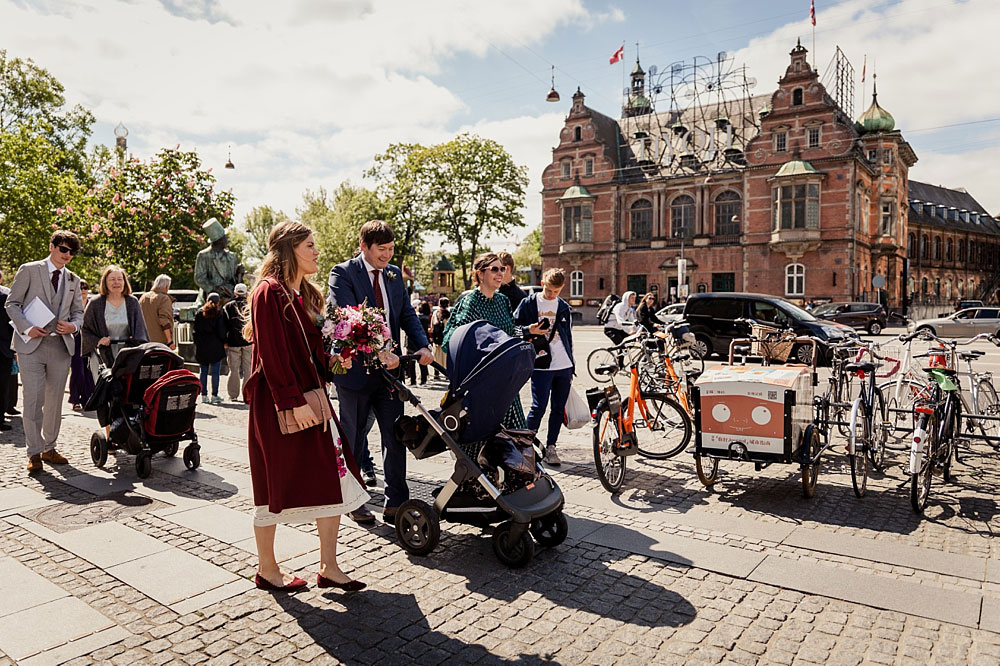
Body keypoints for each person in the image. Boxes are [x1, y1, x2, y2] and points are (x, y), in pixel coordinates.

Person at [242, 219, 370, 592]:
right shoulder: (268, 293)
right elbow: (272, 354)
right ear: (290, 248)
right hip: (282, 404)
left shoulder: (305, 295)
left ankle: (329, 566)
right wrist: (291, 401)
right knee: (273, 485)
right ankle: (267, 568)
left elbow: (311, 352)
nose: (316, 251)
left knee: (332, 477)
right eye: (310, 245)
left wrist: (336, 360)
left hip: (312, 399)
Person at [329, 220, 432, 525]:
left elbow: (406, 314)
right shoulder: (343, 273)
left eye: (391, 249)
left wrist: (422, 345)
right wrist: (377, 350)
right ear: (364, 247)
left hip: (390, 373)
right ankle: (353, 497)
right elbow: (350, 316)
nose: (387, 255)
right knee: (354, 438)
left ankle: (395, 502)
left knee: (395, 436)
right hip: (355, 371)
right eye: (381, 250)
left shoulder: (393, 274)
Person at [4, 231, 86, 474]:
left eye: (72, 252)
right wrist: (28, 327)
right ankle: (34, 452)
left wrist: (73, 326)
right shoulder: (29, 270)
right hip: (31, 345)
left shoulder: (73, 279)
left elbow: (78, 313)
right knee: (32, 399)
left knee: (54, 402)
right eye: (64, 249)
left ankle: (49, 447)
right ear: (51, 246)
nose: (68, 255)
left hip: (60, 346)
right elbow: (12, 304)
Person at [443, 252, 542, 430]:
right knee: (485, 439)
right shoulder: (470, 302)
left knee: (516, 435)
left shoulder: (502, 301)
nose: (500, 273)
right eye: (494, 269)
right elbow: (454, 338)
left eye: (502, 269)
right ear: (480, 274)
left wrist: (528, 330)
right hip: (483, 383)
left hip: (505, 379)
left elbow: (509, 333)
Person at [514, 268, 574, 466]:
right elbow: (511, 328)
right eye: (549, 290)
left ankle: (551, 447)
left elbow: (568, 337)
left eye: (556, 291)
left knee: (557, 408)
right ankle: (525, 447)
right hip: (540, 364)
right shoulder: (529, 303)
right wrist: (528, 330)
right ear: (542, 284)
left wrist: (572, 365)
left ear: (562, 289)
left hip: (563, 365)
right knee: (538, 407)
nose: (552, 294)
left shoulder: (563, 307)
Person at [82, 266, 149, 364]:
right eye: (112, 279)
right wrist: (98, 340)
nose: (116, 282)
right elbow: (85, 329)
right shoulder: (95, 303)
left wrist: (136, 341)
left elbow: (140, 329)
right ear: (105, 282)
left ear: (124, 282)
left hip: (128, 354)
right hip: (103, 355)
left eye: (119, 279)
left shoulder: (132, 302)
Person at [194, 218, 244, 303]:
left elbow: (234, 281)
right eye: (225, 237)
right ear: (219, 240)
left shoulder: (231, 257)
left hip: (230, 297)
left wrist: (239, 274)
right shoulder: (204, 256)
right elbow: (199, 278)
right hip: (211, 298)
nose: (226, 239)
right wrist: (215, 288)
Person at [193, 293, 227, 404]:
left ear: (207, 300)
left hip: (202, 346)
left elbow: (195, 331)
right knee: (215, 372)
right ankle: (214, 395)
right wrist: (224, 341)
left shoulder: (199, 313)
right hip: (215, 346)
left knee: (203, 371)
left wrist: (196, 342)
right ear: (218, 303)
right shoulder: (218, 314)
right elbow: (222, 331)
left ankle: (204, 395)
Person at [222, 283, 252, 402]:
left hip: (233, 341)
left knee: (233, 369)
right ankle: (247, 394)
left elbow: (224, 326)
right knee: (247, 369)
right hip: (248, 340)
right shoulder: (250, 305)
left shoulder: (228, 306)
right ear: (245, 293)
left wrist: (225, 341)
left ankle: (233, 395)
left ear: (235, 293)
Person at [68, 280, 95, 411]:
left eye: (85, 287)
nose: (83, 290)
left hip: (89, 340)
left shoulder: (92, 303)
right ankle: (75, 399)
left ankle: (87, 399)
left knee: (88, 370)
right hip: (76, 339)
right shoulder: (72, 304)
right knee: (77, 370)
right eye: (81, 288)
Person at [139, 274, 175, 349]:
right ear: (166, 287)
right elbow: (164, 320)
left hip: (144, 340)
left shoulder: (144, 297)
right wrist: (170, 341)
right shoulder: (164, 299)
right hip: (159, 342)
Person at [405, 301, 432, 386]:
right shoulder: (427, 318)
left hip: (411, 343)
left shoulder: (416, 318)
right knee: (422, 362)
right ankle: (423, 380)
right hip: (422, 343)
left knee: (412, 362)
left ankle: (413, 381)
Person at [0, 269, 14, 431]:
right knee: (2, 385)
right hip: (4, 348)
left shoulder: (6, 297)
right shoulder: (6, 298)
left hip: (4, 348)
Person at [429, 297, 450, 378]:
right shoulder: (449, 314)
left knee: (436, 356)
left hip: (437, 339)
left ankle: (436, 373)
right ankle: (446, 373)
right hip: (445, 339)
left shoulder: (435, 313)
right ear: (447, 305)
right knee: (445, 357)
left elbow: (432, 326)